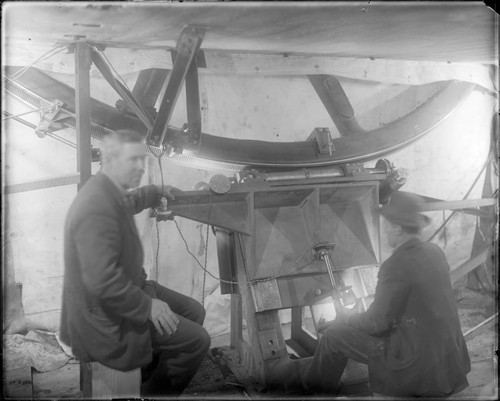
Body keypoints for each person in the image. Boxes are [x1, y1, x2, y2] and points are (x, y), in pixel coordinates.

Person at [271, 191, 471, 397]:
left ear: (397, 227)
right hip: (448, 355)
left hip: (414, 358)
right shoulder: (435, 252)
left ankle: (314, 392)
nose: (384, 230)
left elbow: (377, 323)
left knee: (333, 336)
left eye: (386, 224)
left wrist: (349, 319)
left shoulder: (395, 265)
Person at [60, 129, 210, 396]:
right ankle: (155, 394)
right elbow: (100, 281)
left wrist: (154, 192)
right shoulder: (96, 207)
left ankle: (146, 380)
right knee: (197, 341)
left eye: (142, 160)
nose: (141, 167)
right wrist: (147, 306)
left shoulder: (110, 191)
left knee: (194, 311)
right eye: (133, 160)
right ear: (110, 160)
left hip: (131, 288)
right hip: (105, 314)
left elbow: (130, 202)